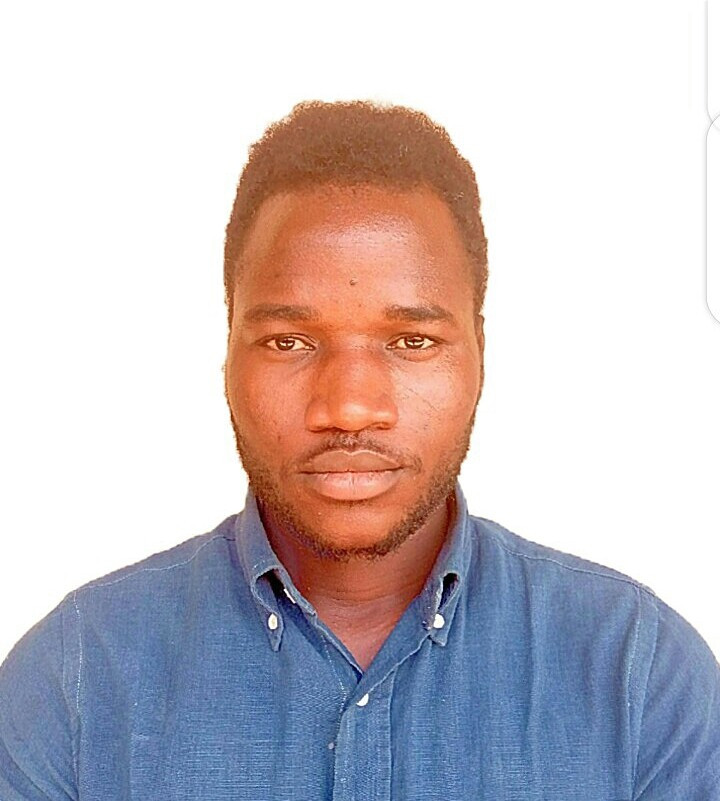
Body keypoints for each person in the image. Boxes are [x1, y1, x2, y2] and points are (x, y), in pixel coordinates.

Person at [1, 100, 718, 801]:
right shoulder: (74, 684)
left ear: (479, 353)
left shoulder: (641, 678)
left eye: (412, 341)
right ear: (228, 352)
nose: (347, 406)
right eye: (289, 341)